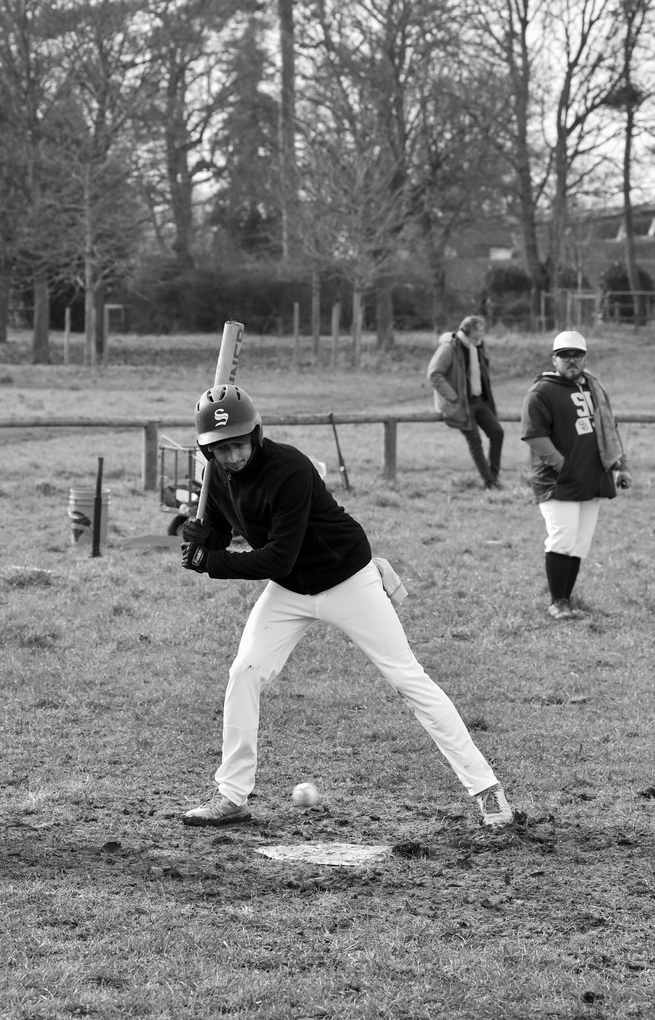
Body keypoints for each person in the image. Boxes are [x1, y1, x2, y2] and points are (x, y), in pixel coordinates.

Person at [176, 384, 515, 830]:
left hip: (346, 579)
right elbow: (225, 530)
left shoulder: (289, 469)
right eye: (221, 451)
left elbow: (280, 555)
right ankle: (232, 796)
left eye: (239, 445)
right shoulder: (217, 477)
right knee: (245, 673)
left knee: (407, 679)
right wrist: (203, 539)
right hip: (291, 590)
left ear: (256, 435)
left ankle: (487, 791)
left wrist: (212, 563)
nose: (233, 457)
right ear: (208, 452)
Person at [519, 330, 630, 621]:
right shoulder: (541, 392)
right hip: (558, 481)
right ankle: (557, 603)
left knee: (580, 543)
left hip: (592, 477)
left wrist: (620, 465)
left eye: (577, 355)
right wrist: (562, 465)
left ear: (585, 358)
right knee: (562, 539)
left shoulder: (593, 387)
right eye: (565, 355)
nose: (572, 360)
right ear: (554, 358)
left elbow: (609, 429)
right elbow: (534, 435)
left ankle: (567, 600)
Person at [427, 314, 503, 489]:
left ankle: (494, 477)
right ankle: (490, 482)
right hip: (461, 404)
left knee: (497, 432)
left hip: (479, 401)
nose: (483, 333)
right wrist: (453, 396)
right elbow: (434, 373)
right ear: (470, 330)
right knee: (475, 441)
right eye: (480, 330)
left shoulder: (478, 347)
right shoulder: (449, 348)